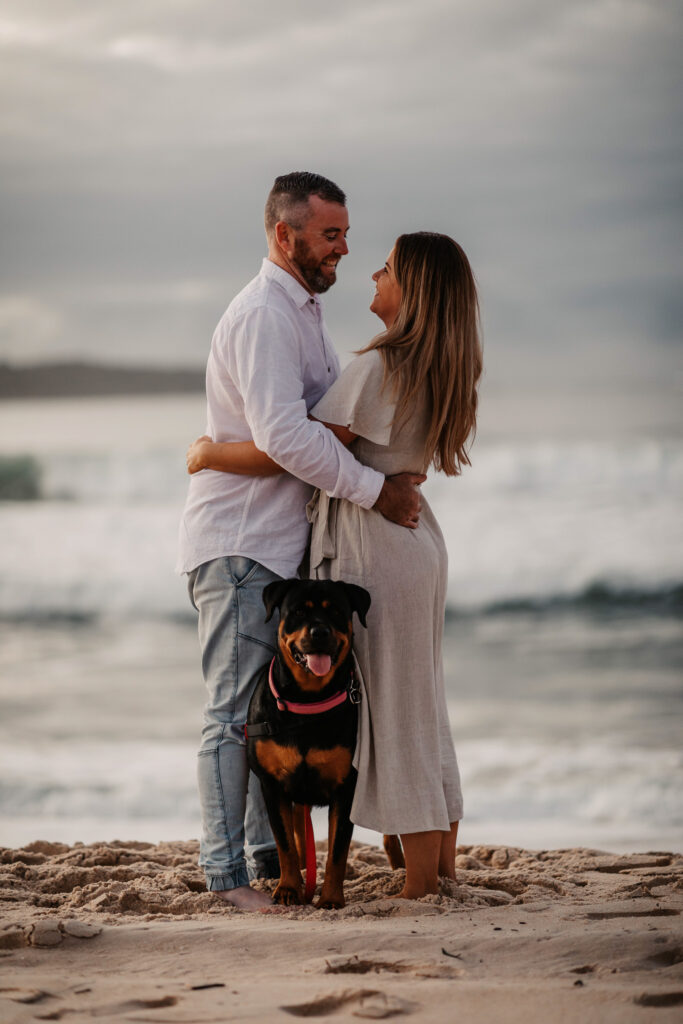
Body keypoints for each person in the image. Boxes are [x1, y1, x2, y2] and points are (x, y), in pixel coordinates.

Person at [188, 231, 482, 898]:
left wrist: (209, 454)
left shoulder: (379, 367)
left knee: (397, 720)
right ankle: (437, 870)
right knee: (420, 711)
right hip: (417, 543)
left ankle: (418, 888)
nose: (372, 275)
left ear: (413, 290)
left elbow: (293, 448)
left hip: (374, 543)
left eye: (387, 269)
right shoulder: (440, 366)